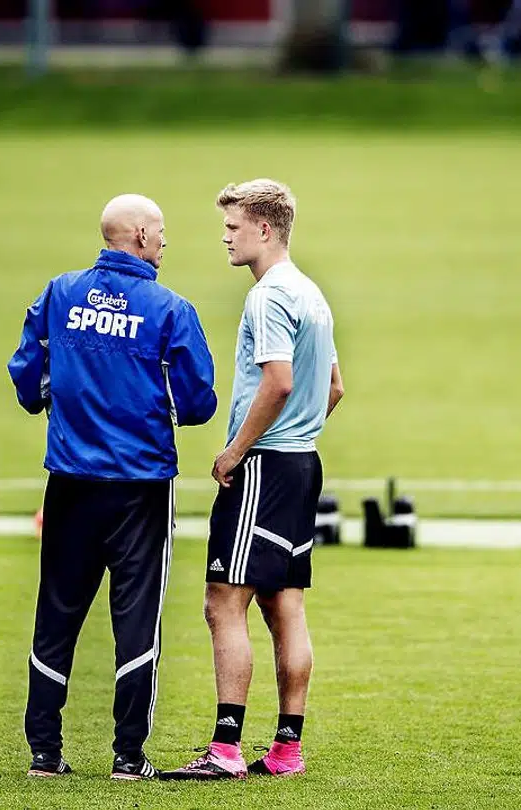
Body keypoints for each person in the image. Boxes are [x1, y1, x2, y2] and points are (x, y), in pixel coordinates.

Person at [8, 193, 218, 781]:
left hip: (70, 482)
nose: (166, 243)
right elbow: (197, 400)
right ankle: (128, 757)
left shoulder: (59, 293)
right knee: (136, 621)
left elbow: (28, 375)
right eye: (163, 233)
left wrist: (56, 401)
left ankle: (44, 754)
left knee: (55, 616)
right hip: (140, 488)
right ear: (143, 237)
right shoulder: (170, 308)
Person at [160, 179, 343, 781]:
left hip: (263, 466)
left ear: (265, 229)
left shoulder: (268, 297)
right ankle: (287, 751)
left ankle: (226, 749)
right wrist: (295, 434)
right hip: (303, 463)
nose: (225, 236)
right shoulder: (312, 294)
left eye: (234, 226)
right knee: (283, 603)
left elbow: (279, 381)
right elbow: (332, 387)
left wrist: (236, 452)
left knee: (223, 602)